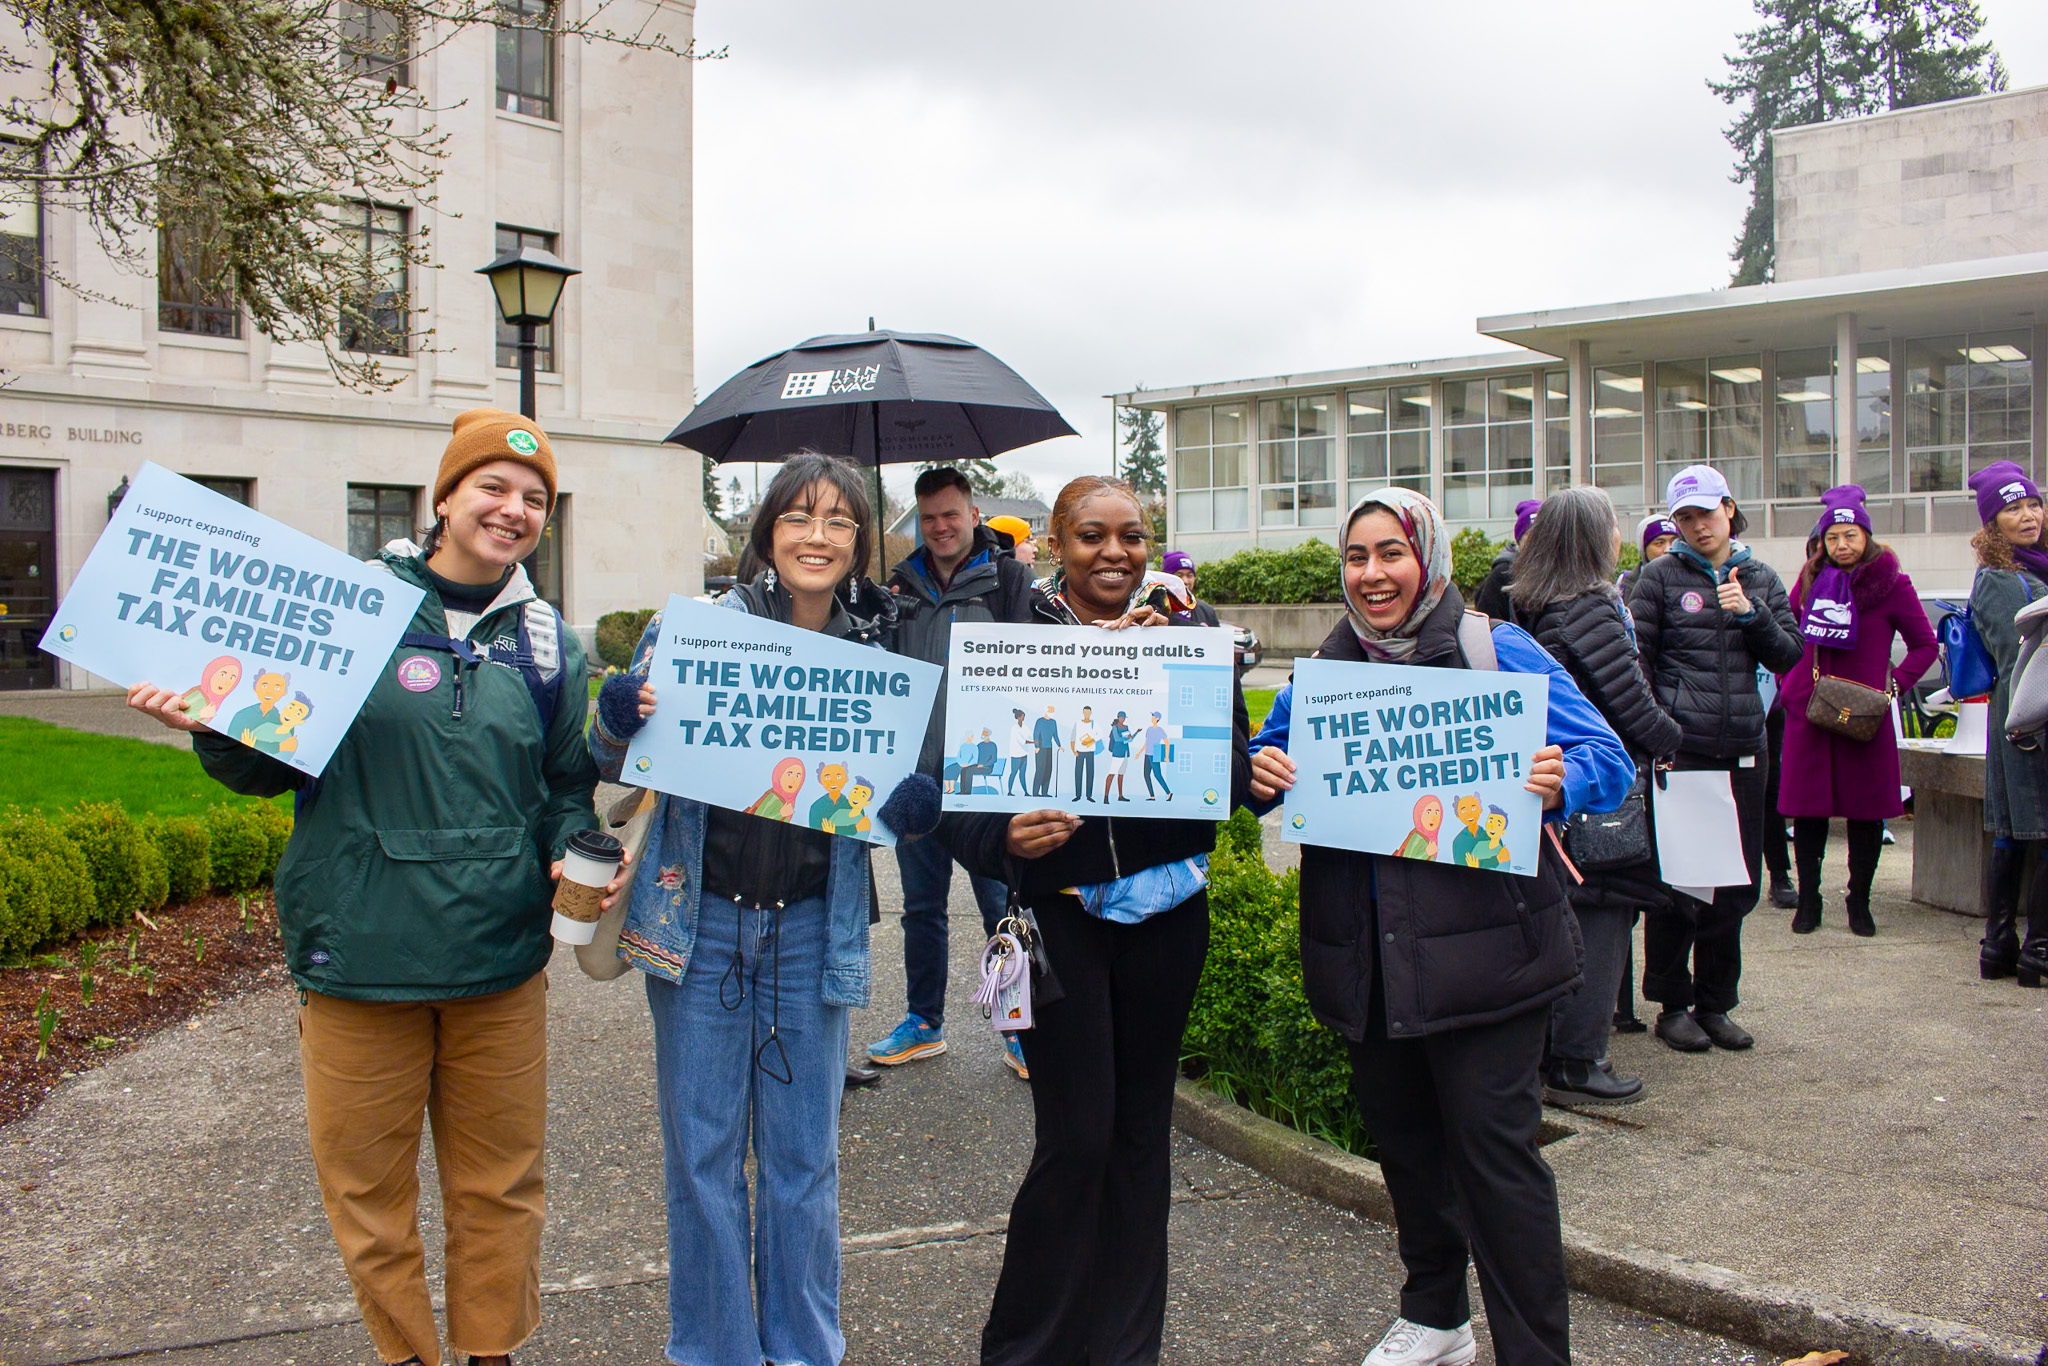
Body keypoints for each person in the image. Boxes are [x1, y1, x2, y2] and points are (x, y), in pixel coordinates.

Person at [128, 408, 609, 1366]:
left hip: (499, 962)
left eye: (534, 499)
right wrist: (213, 723)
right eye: (493, 488)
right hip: (359, 955)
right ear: (445, 495)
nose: (513, 510)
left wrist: (572, 846)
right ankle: (407, 1356)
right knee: (370, 1198)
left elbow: (561, 789)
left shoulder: (552, 644)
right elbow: (267, 764)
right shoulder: (343, 608)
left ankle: (489, 1354)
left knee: (500, 1185)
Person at [1247, 486, 1631, 1366]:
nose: (1373, 574)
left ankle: (1536, 1352)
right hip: (1368, 963)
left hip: (1490, 963)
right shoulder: (1322, 676)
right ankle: (1436, 1316)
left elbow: (1609, 759)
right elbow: (1267, 764)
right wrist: (1263, 768)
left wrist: (1558, 778)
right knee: (1410, 1152)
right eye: (1356, 557)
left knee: (1498, 1163)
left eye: (1391, 552)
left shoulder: (1495, 649)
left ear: (1429, 557)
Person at [587, 452, 934, 1366]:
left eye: (839, 522)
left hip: (813, 929)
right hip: (700, 925)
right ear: (766, 532)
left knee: (804, 1162)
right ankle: (715, 1350)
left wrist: (907, 808)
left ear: (860, 543)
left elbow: (895, 788)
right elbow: (608, 755)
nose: (817, 536)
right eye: (799, 517)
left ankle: (804, 1345)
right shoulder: (699, 630)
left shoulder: (877, 650)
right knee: (702, 1159)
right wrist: (619, 715)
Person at [937, 474, 1250, 1366]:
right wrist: (1007, 837)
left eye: (1134, 536)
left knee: (1142, 1137)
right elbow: (956, 809)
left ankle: (1125, 1347)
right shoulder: (1008, 647)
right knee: (1076, 1140)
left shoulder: (1184, 637)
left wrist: (1183, 670)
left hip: (1168, 920)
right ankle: (1025, 1348)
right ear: (1059, 541)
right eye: (1092, 537)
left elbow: (1225, 785)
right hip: (1061, 923)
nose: (1115, 553)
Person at [1510, 486, 1682, 1107]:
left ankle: (1551, 1054)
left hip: (1548, 788)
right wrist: (1672, 737)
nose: (1619, 538)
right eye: (1612, 527)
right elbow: (1628, 703)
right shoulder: (1588, 607)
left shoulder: (1524, 602)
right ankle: (1580, 1060)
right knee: (1604, 918)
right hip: (1593, 793)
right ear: (1590, 538)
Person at [1627, 464, 1803, 1053]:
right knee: (1680, 884)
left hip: (1745, 750)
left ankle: (1716, 1003)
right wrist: (1659, 734)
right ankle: (1672, 1005)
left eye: (1706, 512)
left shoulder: (1760, 577)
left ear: (1729, 508)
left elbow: (1787, 657)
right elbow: (1637, 663)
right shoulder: (1657, 578)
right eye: (1685, 517)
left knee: (1734, 884)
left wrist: (1750, 613)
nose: (1698, 526)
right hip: (1684, 754)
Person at [872, 465, 1036, 1074]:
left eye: (951, 514)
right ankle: (924, 1021)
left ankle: (1017, 1023)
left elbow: (1036, 665)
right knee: (922, 905)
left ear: (974, 515)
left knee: (1003, 904)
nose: (940, 527)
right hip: (915, 779)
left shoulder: (1010, 580)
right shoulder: (898, 586)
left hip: (986, 779)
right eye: (929, 517)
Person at [1777, 487, 1937, 937]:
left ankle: (1859, 902)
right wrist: (1790, 685)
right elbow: (1787, 638)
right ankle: (1809, 900)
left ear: (1867, 536)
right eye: (1833, 538)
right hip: (1810, 713)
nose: (1841, 545)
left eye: (1850, 536)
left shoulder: (1893, 585)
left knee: (1867, 813)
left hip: (1863, 716)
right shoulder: (1810, 579)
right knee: (1807, 813)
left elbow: (1925, 645)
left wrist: (1893, 687)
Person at [1966, 460, 2048, 986]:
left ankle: (2002, 945)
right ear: (1992, 524)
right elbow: (2011, 656)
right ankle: (2035, 947)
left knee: (2021, 829)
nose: (2028, 516)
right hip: (2026, 717)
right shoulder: (1999, 579)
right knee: (2033, 827)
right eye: (2012, 508)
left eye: (2033, 504)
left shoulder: (2037, 568)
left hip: (2034, 713)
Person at [1472, 497, 1541, 622]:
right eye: (1531, 536)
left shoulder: (1560, 571)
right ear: (1520, 541)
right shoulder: (1504, 572)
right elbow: (1489, 623)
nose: (1539, 543)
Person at [1617, 514, 1678, 599]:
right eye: (1659, 543)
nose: (1668, 549)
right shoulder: (1626, 582)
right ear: (1643, 549)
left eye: (1674, 542)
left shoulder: (1692, 580)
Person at [1161, 550, 1222, 628]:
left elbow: (1215, 638)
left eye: (1189, 576)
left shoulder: (1207, 611)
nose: (1185, 581)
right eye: (1179, 575)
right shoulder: (1154, 608)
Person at [1071, 704, 1101, 801]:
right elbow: (1073, 737)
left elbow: (1100, 735)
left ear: (1091, 713)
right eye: (1085, 712)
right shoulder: (1078, 723)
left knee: (1090, 773)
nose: (1087, 714)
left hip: (1090, 751)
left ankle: (1089, 795)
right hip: (1079, 752)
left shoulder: (1094, 723)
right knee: (1078, 773)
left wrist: (1090, 741)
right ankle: (1078, 795)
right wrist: (1073, 750)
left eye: (1088, 712)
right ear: (1083, 713)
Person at [1142, 710, 1173, 799]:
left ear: (1157, 719)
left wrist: (1167, 756)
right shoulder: (1149, 729)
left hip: (1154, 754)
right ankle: (1152, 796)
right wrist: (1139, 753)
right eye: (1152, 716)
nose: (1152, 718)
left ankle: (1169, 793)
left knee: (1157, 775)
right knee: (1146, 775)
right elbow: (1146, 742)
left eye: (1153, 717)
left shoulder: (1160, 730)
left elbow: (1167, 743)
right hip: (1147, 754)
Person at [1105, 709, 1135, 800]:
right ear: (1118, 718)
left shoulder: (1126, 727)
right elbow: (1117, 739)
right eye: (1121, 717)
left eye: (1124, 718)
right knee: (1112, 773)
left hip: (1125, 752)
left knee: (1121, 774)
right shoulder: (1115, 727)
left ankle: (1120, 796)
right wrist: (1125, 738)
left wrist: (1132, 736)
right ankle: (1106, 796)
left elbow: (1129, 739)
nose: (1123, 719)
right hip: (1117, 752)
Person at [1031, 705, 1061, 797]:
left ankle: (1045, 792)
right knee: (1040, 770)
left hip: (1049, 748)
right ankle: (1035, 792)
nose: (1053, 713)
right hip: (1040, 748)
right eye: (1051, 711)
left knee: (1048, 770)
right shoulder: (1040, 721)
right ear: (1047, 711)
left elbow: (1055, 735)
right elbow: (1036, 734)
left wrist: (1059, 745)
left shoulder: (1053, 722)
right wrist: (1036, 746)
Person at [1006, 708, 1031, 795]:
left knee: (1023, 774)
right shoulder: (1014, 728)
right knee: (1013, 773)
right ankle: (1009, 791)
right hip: (1016, 755)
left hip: (1024, 754)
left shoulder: (1025, 727)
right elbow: (1022, 741)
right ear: (1019, 717)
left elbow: (1030, 734)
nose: (1023, 718)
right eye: (1023, 716)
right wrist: (1034, 742)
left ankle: (1026, 792)